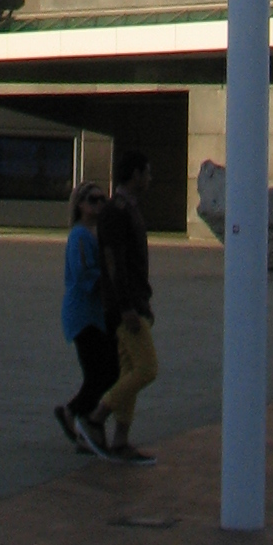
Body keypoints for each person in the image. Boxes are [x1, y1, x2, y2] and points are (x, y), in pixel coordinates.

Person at [95, 146, 159, 465]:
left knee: (130, 370)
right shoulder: (116, 211)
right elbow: (113, 263)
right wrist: (127, 307)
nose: (150, 178)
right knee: (147, 368)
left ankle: (120, 440)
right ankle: (96, 417)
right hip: (124, 307)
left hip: (134, 301)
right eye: (147, 172)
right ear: (135, 174)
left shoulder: (128, 208)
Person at [55, 182, 115, 455]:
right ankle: (74, 414)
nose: (99, 204)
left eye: (103, 199)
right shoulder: (80, 236)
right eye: (93, 200)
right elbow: (83, 274)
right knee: (101, 372)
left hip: (96, 314)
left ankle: (85, 425)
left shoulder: (96, 233)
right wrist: (110, 281)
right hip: (83, 315)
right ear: (80, 205)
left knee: (105, 371)